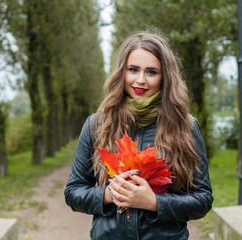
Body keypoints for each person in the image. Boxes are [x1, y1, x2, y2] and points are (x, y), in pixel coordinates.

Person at [64, 31, 213, 240]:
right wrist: (108, 195)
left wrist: (153, 202)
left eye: (151, 72)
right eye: (133, 69)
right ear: (121, 72)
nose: (140, 80)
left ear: (164, 77)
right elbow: (73, 193)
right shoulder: (97, 124)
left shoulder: (185, 126)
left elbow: (203, 200)